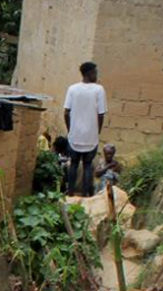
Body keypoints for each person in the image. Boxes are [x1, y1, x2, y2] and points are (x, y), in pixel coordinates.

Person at [63, 62, 107, 196]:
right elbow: (101, 114)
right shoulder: (99, 90)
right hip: (90, 137)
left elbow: (66, 112)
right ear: (90, 73)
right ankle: (84, 195)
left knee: (74, 164)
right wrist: (97, 132)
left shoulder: (72, 89)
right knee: (88, 165)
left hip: (75, 135)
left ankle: (70, 193)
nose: (96, 75)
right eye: (95, 72)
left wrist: (70, 130)